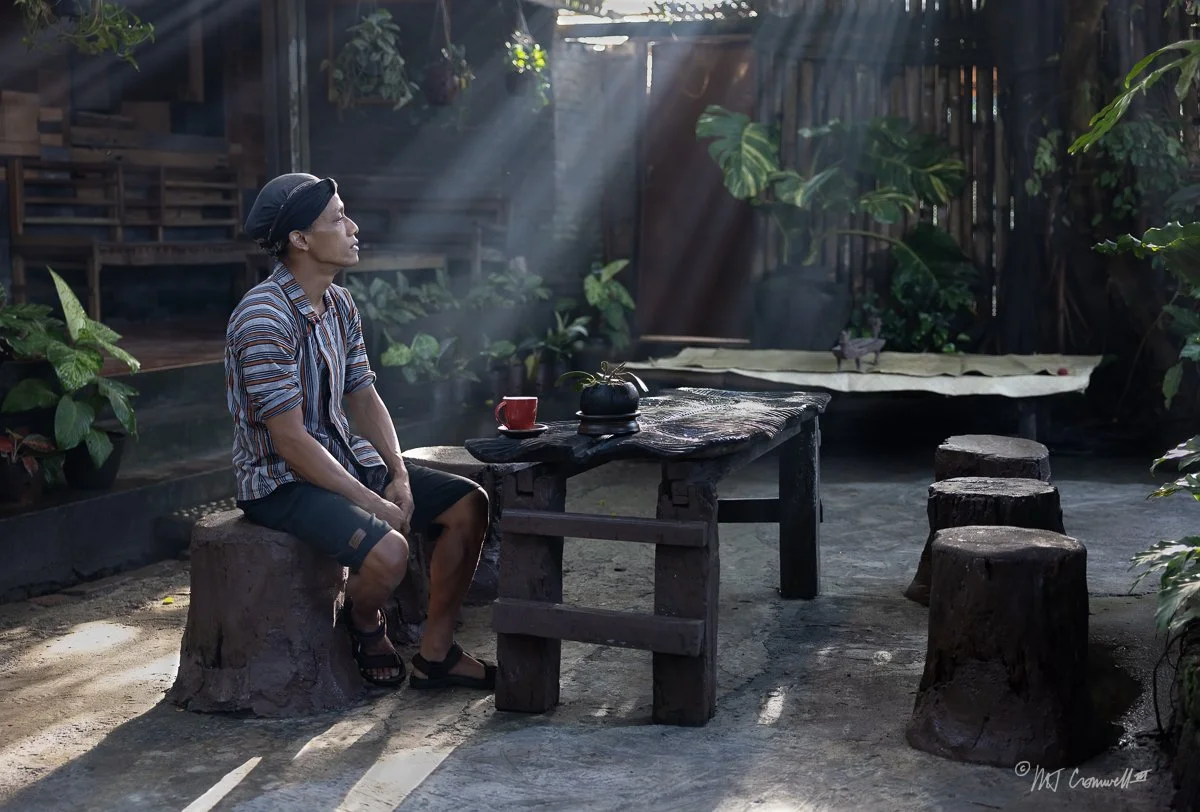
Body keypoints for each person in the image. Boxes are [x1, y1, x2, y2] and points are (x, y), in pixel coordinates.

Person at [225, 172, 494, 690]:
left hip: (342, 458)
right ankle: (364, 620)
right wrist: (374, 506)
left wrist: (398, 474)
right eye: (337, 218)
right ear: (300, 240)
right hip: (280, 482)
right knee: (390, 551)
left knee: (469, 504)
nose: (353, 227)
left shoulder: (340, 305)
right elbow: (291, 442)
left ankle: (436, 653)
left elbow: (364, 396)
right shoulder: (262, 318)